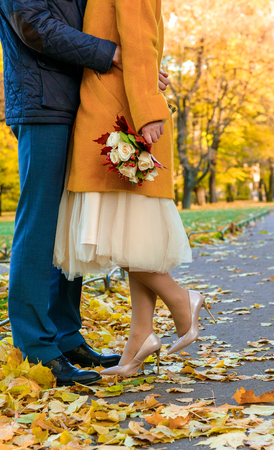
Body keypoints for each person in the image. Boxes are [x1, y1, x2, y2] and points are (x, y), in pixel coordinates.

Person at [0, 0, 170, 386]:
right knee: (41, 222)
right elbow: (34, 25)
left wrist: (137, 73)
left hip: (79, 103)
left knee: (67, 223)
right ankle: (35, 346)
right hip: (43, 104)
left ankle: (66, 336)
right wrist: (117, 56)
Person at [53, 0, 215, 378]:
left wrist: (148, 111)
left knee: (117, 234)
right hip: (114, 109)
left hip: (122, 118)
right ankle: (140, 338)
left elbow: (142, 40)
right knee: (131, 235)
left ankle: (181, 299)